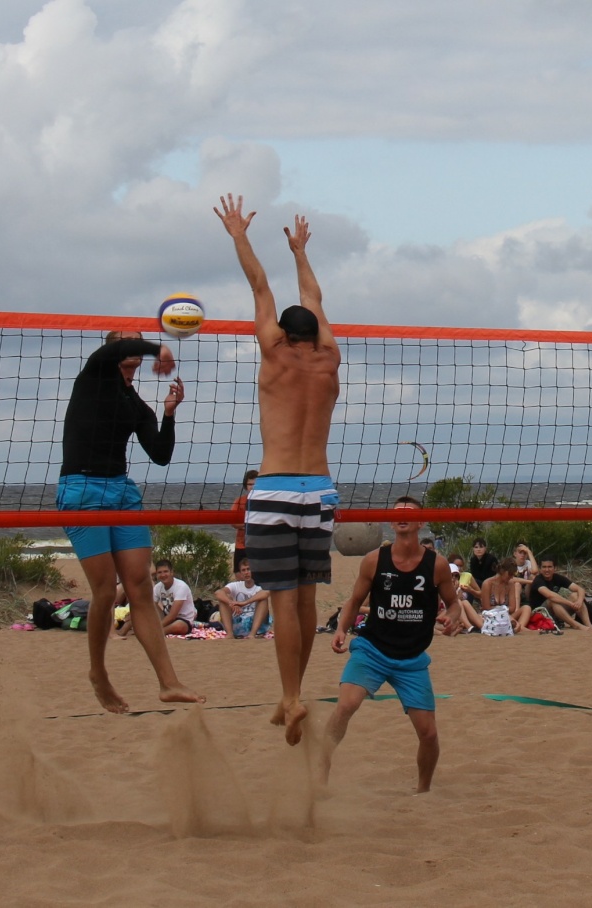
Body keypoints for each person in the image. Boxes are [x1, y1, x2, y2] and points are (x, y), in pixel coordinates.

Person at [216, 193, 341, 746]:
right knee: (308, 600)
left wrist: (239, 234)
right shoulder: (330, 357)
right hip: (321, 491)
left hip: (274, 490)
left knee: (284, 601)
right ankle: (294, 693)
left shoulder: (274, 353)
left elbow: (260, 288)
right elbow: (312, 296)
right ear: (315, 334)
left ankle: (290, 698)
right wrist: (301, 252)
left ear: (284, 337)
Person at [57, 329, 203, 713]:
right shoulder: (94, 375)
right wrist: (159, 347)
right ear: (111, 349)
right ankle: (99, 674)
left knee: (139, 584)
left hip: (121, 491)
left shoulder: (136, 404)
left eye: (137, 340)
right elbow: (122, 347)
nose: (132, 345)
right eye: (126, 340)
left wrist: (169, 414)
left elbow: (160, 454)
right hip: (82, 489)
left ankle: (168, 683)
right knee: (106, 591)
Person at [322, 497, 461, 793]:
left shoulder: (436, 564)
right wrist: (342, 629)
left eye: (409, 513)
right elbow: (354, 601)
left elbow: (454, 604)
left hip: (411, 658)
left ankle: (423, 791)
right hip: (372, 649)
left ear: (422, 522)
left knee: (428, 733)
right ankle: (320, 770)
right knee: (345, 706)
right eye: (397, 513)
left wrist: (451, 617)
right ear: (389, 521)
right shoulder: (374, 560)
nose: (402, 517)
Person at [461, 556, 533, 634]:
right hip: (490, 616)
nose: (511, 577)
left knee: (526, 608)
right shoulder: (488, 583)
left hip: (505, 616)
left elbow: (512, 608)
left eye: (513, 574)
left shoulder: (510, 584)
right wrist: (502, 610)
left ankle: (516, 628)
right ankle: (522, 630)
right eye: (510, 574)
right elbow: (486, 607)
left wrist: (500, 611)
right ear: (502, 571)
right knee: (478, 615)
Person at [528, 559, 592, 630]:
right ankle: (576, 625)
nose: (547, 570)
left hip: (555, 611)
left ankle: (588, 624)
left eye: (549, 567)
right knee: (552, 601)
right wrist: (570, 603)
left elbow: (580, 589)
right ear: (540, 569)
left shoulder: (557, 577)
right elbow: (550, 595)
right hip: (539, 613)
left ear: (555, 568)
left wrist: (579, 601)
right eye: (544, 567)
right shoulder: (538, 580)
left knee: (575, 596)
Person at [215, 558, 271, 639]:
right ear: (240, 573)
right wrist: (231, 603)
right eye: (243, 570)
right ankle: (230, 634)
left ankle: (252, 634)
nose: (246, 572)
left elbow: (266, 593)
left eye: (248, 569)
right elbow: (218, 593)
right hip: (238, 622)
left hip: (256, 623)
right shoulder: (235, 585)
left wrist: (244, 603)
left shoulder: (260, 586)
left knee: (263, 600)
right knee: (224, 600)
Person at [152, 559, 198, 636]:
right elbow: (152, 606)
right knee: (152, 606)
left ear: (172, 572)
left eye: (165, 571)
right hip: (166, 616)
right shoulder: (157, 587)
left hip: (183, 619)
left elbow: (172, 616)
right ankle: (158, 629)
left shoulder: (181, 586)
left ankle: (158, 631)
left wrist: (156, 627)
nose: (163, 575)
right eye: (159, 572)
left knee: (179, 626)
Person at [230, 469, 259, 572]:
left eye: (255, 484)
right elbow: (233, 522)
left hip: (258, 545)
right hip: (241, 544)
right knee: (239, 573)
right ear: (245, 486)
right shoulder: (239, 501)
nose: (252, 487)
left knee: (257, 575)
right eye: (250, 484)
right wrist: (249, 525)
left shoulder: (265, 502)